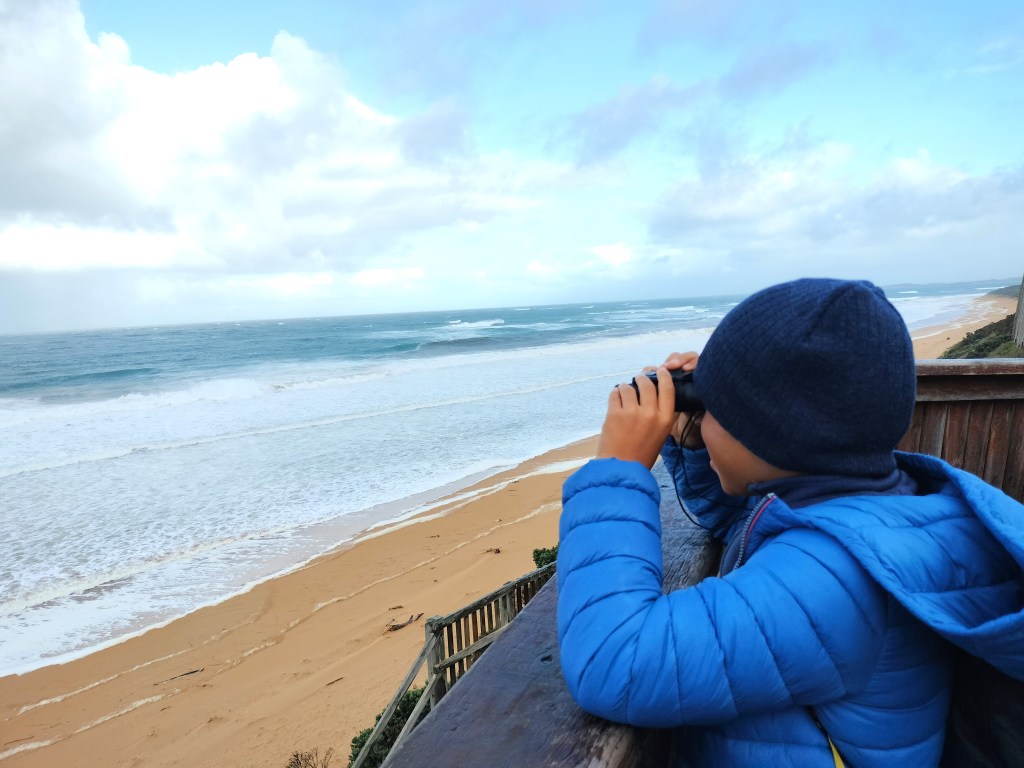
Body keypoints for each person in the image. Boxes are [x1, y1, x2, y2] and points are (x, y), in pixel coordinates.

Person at [556, 278, 1024, 767]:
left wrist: (617, 470)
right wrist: (697, 444)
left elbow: (616, 659)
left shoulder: (834, 581)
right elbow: (753, 528)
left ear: (769, 434)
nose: (704, 419)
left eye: (713, 411)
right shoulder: (877, 509)